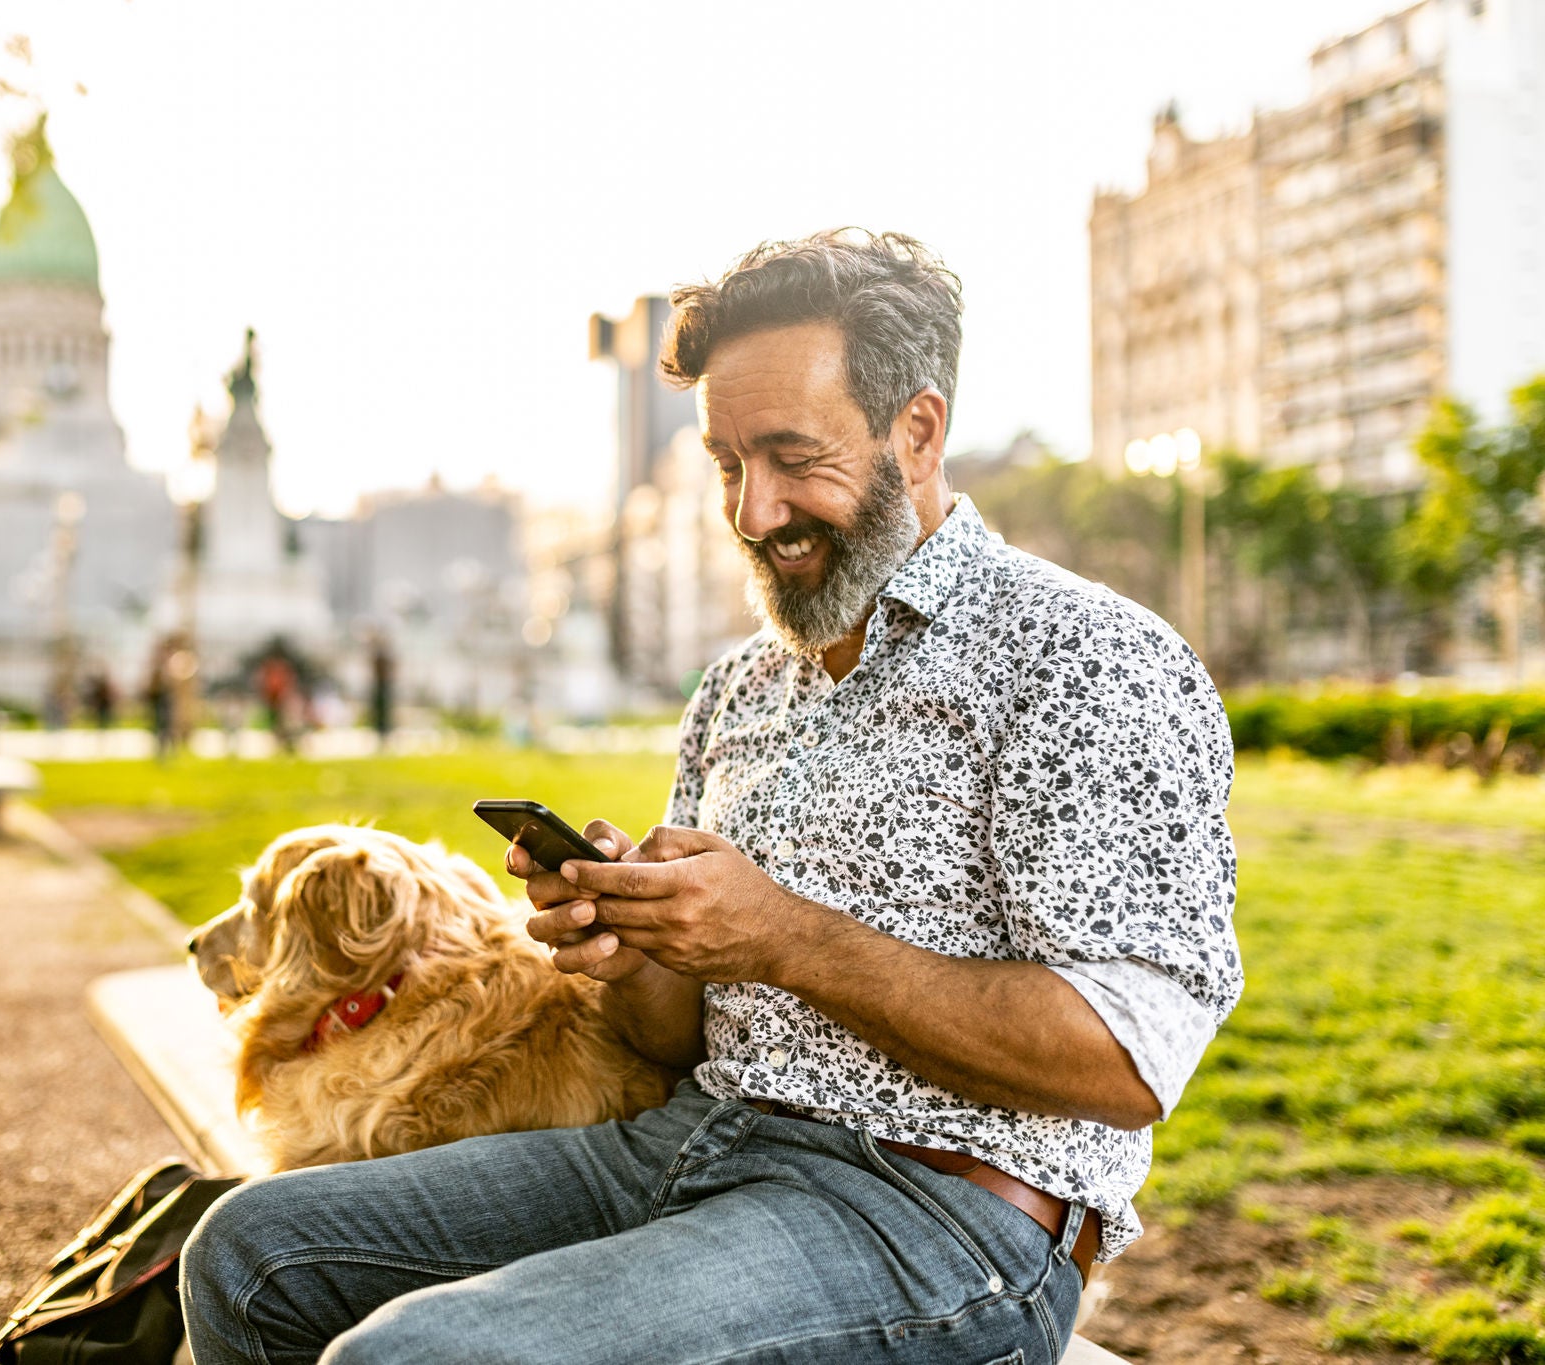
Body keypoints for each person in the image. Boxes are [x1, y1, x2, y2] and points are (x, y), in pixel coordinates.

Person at [181, 230, 1242, 1365]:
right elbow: (673, 1036)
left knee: (414, 1360)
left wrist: (781, 937)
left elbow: (1122, 1065)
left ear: (917, 431)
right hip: (692, 1140)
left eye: (791, 455)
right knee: (246, 1258)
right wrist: (633, 944)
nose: (751, 511)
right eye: (727, 464)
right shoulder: (745, 682)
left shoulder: (1085, 659)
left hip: (938, 1222)